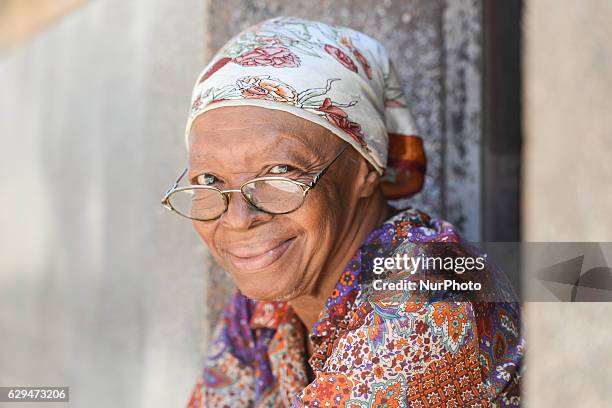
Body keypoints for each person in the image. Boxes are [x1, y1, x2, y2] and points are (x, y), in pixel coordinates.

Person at [161, 16, 523, 407]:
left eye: (281, 172)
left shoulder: (432, 292)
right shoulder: (262, 308)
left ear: (366, 169)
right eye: (210, 180)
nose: (237, 219)